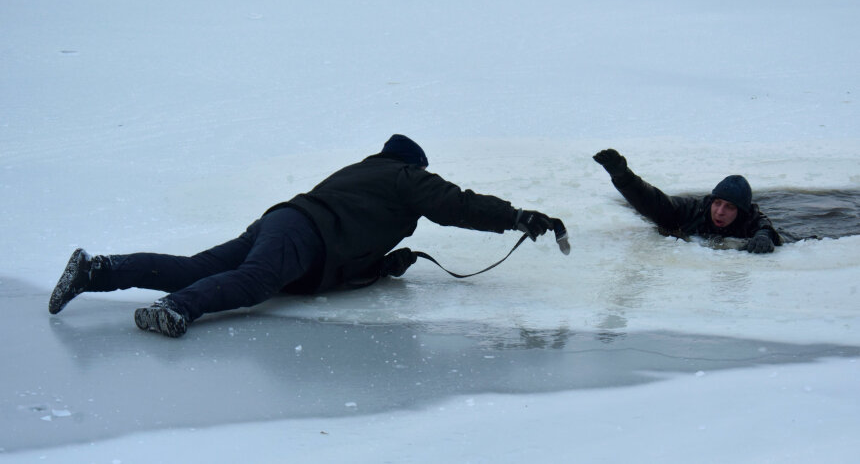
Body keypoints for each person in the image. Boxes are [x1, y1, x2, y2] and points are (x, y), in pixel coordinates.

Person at [49, 135, 560, 338]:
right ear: (415, 165)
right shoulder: (403, 175)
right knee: (254, 282)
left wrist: (382, 265)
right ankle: (176, 308)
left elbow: (346, 243)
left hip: (284, 221)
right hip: (303, 234)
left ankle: (97, 269)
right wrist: (516, 217)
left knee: (197, 265)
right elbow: (456, 204)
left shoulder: (364, 174)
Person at [593, 148, 782, 252]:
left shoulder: (751, 221)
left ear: (741, 212)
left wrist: (765, 236)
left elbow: (766, 228)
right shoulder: (692, 210)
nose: (720, 211)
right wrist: (623, 177)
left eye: (729, 207)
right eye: (717, 203)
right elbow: (653, 202)